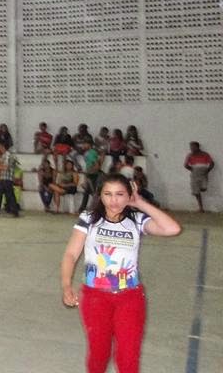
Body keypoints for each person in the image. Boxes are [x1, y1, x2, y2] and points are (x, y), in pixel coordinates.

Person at [60, 174, 181, 373]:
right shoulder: (88, 219)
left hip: (130, 298)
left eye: (120, 194)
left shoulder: (137, 220)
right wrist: (66, 285)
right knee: (99, 354)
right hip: (95, 298)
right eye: (108, 194)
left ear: (129, 196)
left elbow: (172, 228)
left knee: (128, 356)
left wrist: (140, 203)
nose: (113, 200)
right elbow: (71, 254)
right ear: (100, 195)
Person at [0, 145, 20, 217]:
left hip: (7, 179)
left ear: (3, 147)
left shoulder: (8, 156)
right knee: (0, 195)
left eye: (0, 147)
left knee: (9, 195)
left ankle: (14, 211)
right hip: (4, 178)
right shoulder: (5, 156)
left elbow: (6, 167)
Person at [184, 141, 215, 213]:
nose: (191, 149)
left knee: (204, 188)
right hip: (194, 174)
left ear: (198, 147)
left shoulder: (205, 154)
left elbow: (212, 163)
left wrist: (207, 170)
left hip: (203, 173)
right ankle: (201, 208)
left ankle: (199, 189)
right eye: (191, 147)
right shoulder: (190, 155)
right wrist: (192, 169)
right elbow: (185, 165)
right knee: (196, 191)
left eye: (193, 147)